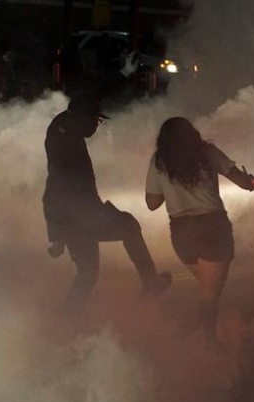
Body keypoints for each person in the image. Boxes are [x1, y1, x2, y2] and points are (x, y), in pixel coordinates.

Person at [42, 59, 171, 309]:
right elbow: (55, 190)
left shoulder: (66, 124)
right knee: (129, 226)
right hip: (81, 216)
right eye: (96, 120)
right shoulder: (64, 137)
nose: (96, 126)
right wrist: (56, 235)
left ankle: (67, 319)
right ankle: (150, 283)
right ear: (84, 117)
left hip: (72, 218)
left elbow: (89, 98)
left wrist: (123, 73)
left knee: (88, 275)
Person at [145, 117, 254, 348]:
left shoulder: (159, 161)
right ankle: (207, 342)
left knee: (208, 290)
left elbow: (152, 203)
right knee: (210, 293)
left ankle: (182, 337)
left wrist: (173, 189)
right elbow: (244, 183)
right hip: (212, 226)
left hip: (180, 230)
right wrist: (251, 181)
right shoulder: (207, 153)